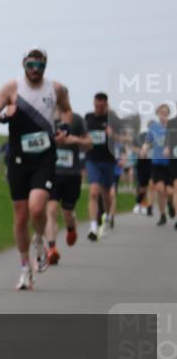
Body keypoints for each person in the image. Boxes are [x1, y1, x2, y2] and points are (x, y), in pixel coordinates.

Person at [0, 48, 72, 291]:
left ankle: (41, 240)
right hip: (18, 158)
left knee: (36, 207)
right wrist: (4, 115)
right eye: (31, 64)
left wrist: (65, 127)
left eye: (40, 65)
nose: (35, 69)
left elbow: (67, 109)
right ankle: (25, 267)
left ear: (45, 66)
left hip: (44, 156)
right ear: (24, 64)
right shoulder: (12, 88)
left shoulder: (56, 89)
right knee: (21, 216)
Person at [45, 109, 91, 265]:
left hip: (72, 175)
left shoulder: (77, 120)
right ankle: (51, 249)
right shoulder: (47, 118)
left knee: (67, 214)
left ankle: (71, 228)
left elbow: (89, 144)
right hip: (51, 173)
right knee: (50, 210)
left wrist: (76, 140)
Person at [84, 93, 123, 241]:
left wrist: (113, 135)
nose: (98, 108)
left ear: (105, 104)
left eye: (101, 106)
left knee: (107, 194)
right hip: (92, 159)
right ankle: (93, 226)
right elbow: (84, 135)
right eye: (96, 105)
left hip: (108, 160)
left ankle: (106, 217)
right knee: (94, 192)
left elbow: (124, 138)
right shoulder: (88, 117)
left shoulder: (112, 119)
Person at [147, 104, 175, 226]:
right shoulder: (153, 127)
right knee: (159, 189)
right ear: (158, 114)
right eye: (161, 113)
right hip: (157, 162)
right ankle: (162, 215)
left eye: (166, 113)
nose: (163, 115)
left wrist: (169, 148)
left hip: (170, 163)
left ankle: (170, 204)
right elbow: (148, 142)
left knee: (169, 192)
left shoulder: (172, 127)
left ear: (168, 114)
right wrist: (144, 148)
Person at [135, 130, 154, 216]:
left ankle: (148, 207)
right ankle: (138, 202)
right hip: (141, 166)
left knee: (150, 185)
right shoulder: (141, 140)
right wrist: (141, 151)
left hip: (150, 165)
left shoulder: (153, 141)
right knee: (143, 188)